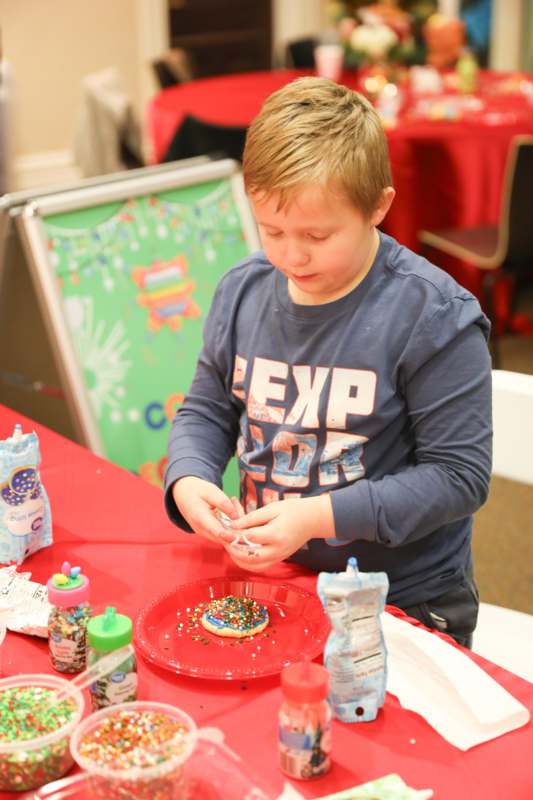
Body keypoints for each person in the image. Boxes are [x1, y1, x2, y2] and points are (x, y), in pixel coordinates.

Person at [164, 77, 492, 648]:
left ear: (378, 207)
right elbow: (208, 408)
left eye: (317, 234)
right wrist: (188, 475)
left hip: (401, 597)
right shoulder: (242, 291)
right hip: (275, 578)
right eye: (272, 230)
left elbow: (457, 478)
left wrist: (317, 517)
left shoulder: (433, 315)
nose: (292, 254)